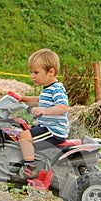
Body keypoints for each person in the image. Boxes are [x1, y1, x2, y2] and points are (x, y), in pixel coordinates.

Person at [17, 48, 69, 180]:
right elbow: (40, 101)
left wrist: (44, 111)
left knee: (24, 136)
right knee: (20, 130)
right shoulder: (48, 89)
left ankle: (30, 167)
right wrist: (23, 98)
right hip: (45, 126)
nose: (32, 76)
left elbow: (63, 107)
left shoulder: (57, 89)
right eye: (31, 72)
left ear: (51, 72)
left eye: (36, 72)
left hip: (54, 130)